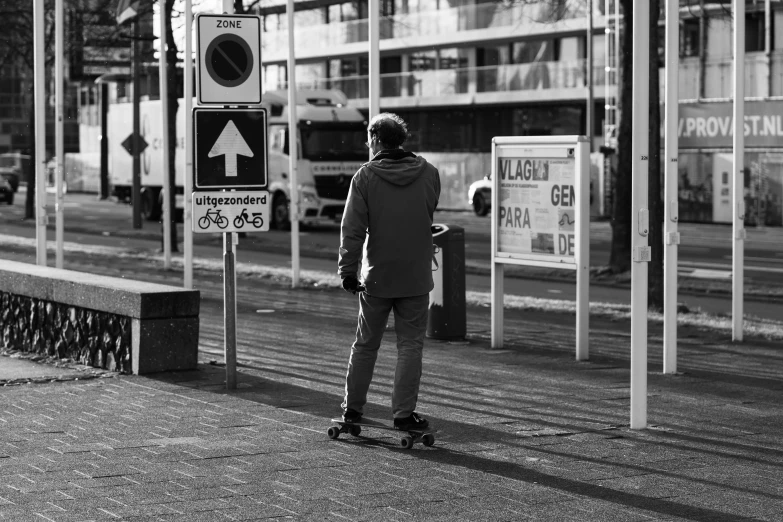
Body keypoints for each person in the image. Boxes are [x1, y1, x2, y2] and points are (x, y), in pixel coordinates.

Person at [338, 112, 441, 431]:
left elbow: (352, 229)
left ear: (375, 139)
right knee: (410, 345)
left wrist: (347, 271)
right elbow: (427, 209)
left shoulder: (365, 177)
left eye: (368, 138)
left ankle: (352, 409)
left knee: (366, 344)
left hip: (377, 276)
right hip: (415, 275)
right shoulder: (429, 173)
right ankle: (403, 414)